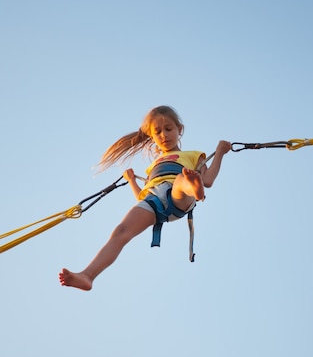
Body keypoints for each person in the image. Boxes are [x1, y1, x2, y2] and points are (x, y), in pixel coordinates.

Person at [59, 105, 232, 290]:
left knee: (183, 178)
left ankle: (193, 187)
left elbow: (209, 180)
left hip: (179, 196)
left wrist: (220, 151)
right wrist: (132, 181)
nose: (164, 135)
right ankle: (88, 275)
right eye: (157, 132)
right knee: (121, 231)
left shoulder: (193, 155)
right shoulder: (152, 167)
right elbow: (142, 198)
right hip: (153, 200)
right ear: (152, 137)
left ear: (179, 129)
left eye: (168, 129)